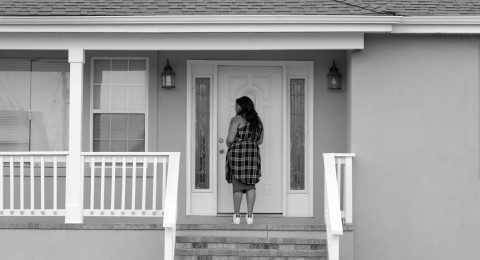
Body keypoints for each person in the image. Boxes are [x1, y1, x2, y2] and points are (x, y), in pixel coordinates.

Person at [225, 96, 263, 225]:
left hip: (238, 155)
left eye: (236, 106)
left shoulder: (238, 119)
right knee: (251, 186)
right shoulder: (258, 121)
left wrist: (234, 143)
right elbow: (260, 141)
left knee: (238, 187)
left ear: (242, 106)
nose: (235, 108)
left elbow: (230, 139)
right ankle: (250, 217)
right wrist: (250, 143)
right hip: (253, 155)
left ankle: (236, 217)